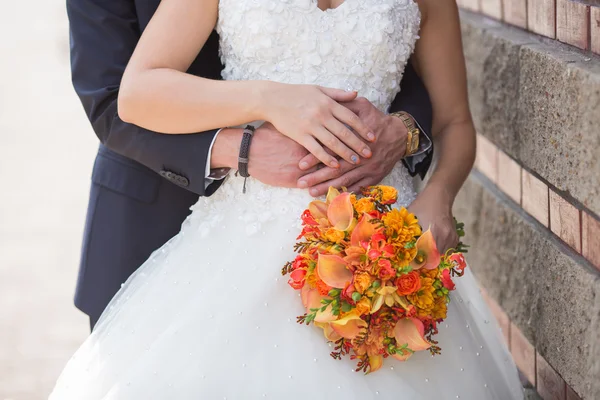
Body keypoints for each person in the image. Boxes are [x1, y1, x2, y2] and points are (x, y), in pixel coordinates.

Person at [52, 0, 524, 398]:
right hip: (235, 233)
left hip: (384, 237)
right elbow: (127, 94)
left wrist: (438, 197)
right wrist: (266, 101)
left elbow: (453, 120)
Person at [67, 0, 434, 330]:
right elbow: (112, 100)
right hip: (169, 214)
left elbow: (398, 60)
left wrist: (404, 129)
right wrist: (243, 142)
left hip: (373, 217)